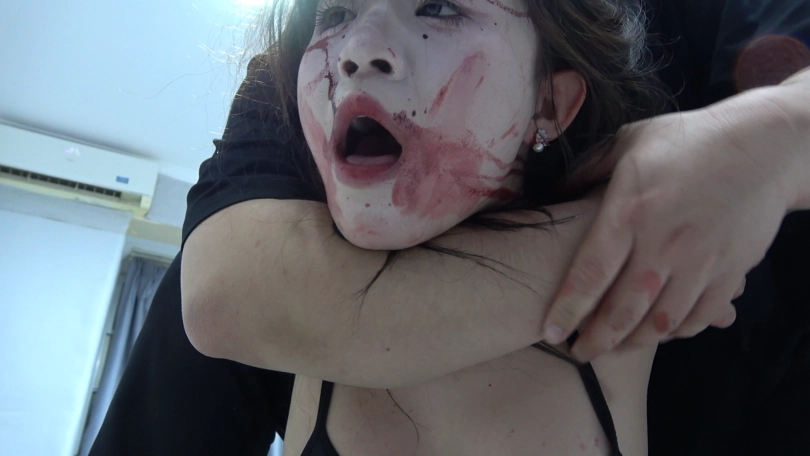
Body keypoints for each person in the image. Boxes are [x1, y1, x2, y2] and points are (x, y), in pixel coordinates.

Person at [89, 1, 810, 455]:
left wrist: (766, 139)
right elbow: (225, 298)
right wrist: (653, 224)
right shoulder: (284, 92)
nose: (358, 46)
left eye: (438, 7)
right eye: (336, 12)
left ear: (551, 105)